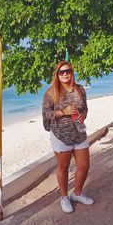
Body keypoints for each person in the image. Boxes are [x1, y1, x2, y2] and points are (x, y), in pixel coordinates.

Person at [42, 60, 94, 213]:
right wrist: (63, 112)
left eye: (68, 71)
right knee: (63, 168)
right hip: (60, 136)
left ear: (72, 72)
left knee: (84, 166)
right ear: (57, 75)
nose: (65, 74)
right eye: (61, 72)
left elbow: (85, 108)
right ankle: (64, 197)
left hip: (79, 133)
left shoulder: (80, 89)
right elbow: (46, 114)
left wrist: (83, 116)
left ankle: (77, 193)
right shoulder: (51, 93)